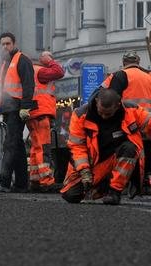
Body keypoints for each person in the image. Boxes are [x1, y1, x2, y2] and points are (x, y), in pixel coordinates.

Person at [61, 88, 151, 205]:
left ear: (118, 105)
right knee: (70, 195)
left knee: (129, 148)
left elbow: (149, 122)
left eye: (108, 114)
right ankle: (102, 187)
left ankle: (115, 191)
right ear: (97, 101)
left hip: (119, 159)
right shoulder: (80, 115)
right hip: (92, 165)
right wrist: (84, 170)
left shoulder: (132, 111)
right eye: (101, 112)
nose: (103, 116)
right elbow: (77, 147)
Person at [0, 32, 35, 193]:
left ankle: (4, 182)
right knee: (18, 146)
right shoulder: (5, 63)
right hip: (8, 109)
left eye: (7, 43)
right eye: (2, 44)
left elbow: (29, 85)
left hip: (17, 109)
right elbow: (2, 89)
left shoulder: (22, 60)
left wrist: (25, 107)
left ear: (13, 44)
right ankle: (21, 183)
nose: (5, 47)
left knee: (9, 144)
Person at [101, 51, 151, 193]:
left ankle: (125, 182)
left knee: (129, 150)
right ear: (138, 61)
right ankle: (145, 181)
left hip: (129, 120)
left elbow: (111, 98)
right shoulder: (148, 76)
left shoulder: (121, 75)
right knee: (146, 150)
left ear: (124, 62)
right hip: (147, 120)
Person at [26, 51, 65, 191]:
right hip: (41, 113)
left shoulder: (29, 72)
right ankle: (46, 181)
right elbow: (59, 72)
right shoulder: (40, 71)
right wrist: (49, 61)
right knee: (43, 148)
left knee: (36, 148)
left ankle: (35, 179)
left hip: (33, 113)